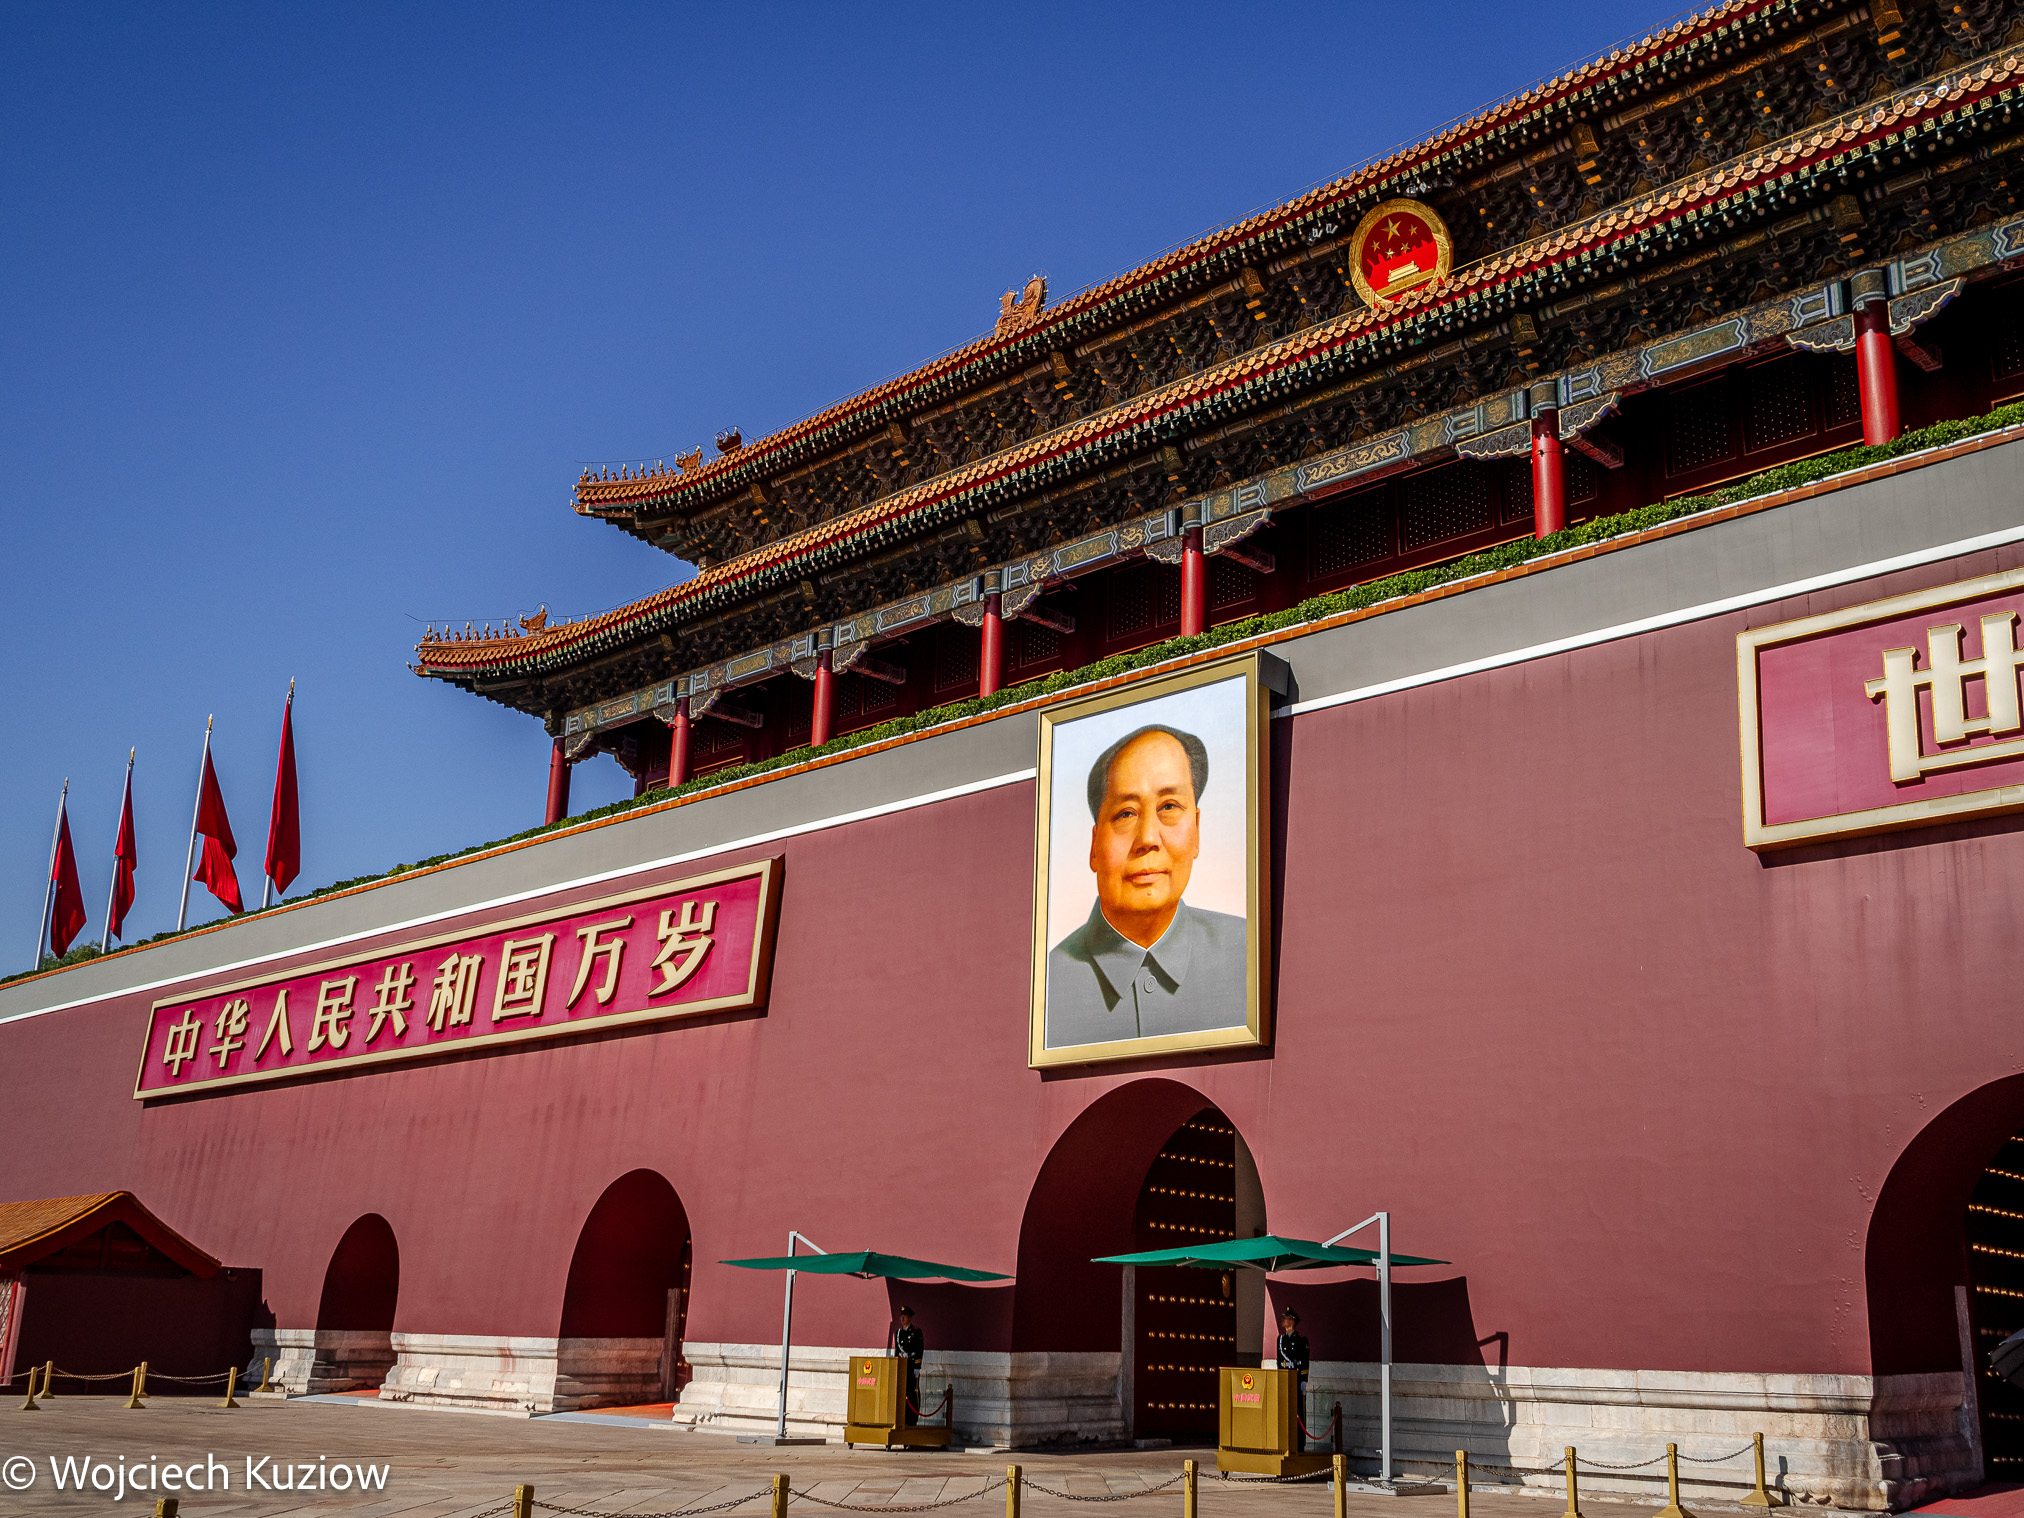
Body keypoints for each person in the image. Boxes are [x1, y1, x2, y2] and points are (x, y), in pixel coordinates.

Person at [1045, 724, 1248, 1048]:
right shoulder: (1046, 987)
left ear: (1196, 830)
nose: (1148, 838)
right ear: (1094, 846)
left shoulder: (1248, 953)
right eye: (1126, 814)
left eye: (1169, 807)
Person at [1277, 1308, 1311, 1450]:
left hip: (1296, 1381)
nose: (1283, 1320)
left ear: (1292, 1321)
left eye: (1286, 1318)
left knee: (1298, 1412)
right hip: (1285, 1380)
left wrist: (1303, 1380)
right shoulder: (1280, 1339)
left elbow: (1304, 1362)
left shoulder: (1301, 1340)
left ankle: (1298, 1444)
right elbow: (1279, 1362)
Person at [894, 1306, 923, 1425]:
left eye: (904, 1316)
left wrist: (917, 1367)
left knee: (912, 1393)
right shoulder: (898, 1333)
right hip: (902, 1367)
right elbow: (897, 1351)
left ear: (909, 1317)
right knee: (902, 1392)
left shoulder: (916, 1332)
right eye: (901, 1316)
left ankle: (912, 1419)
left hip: (911, 1367)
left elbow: (919, 1350)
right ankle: (903, 1418)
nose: (902, 1318)